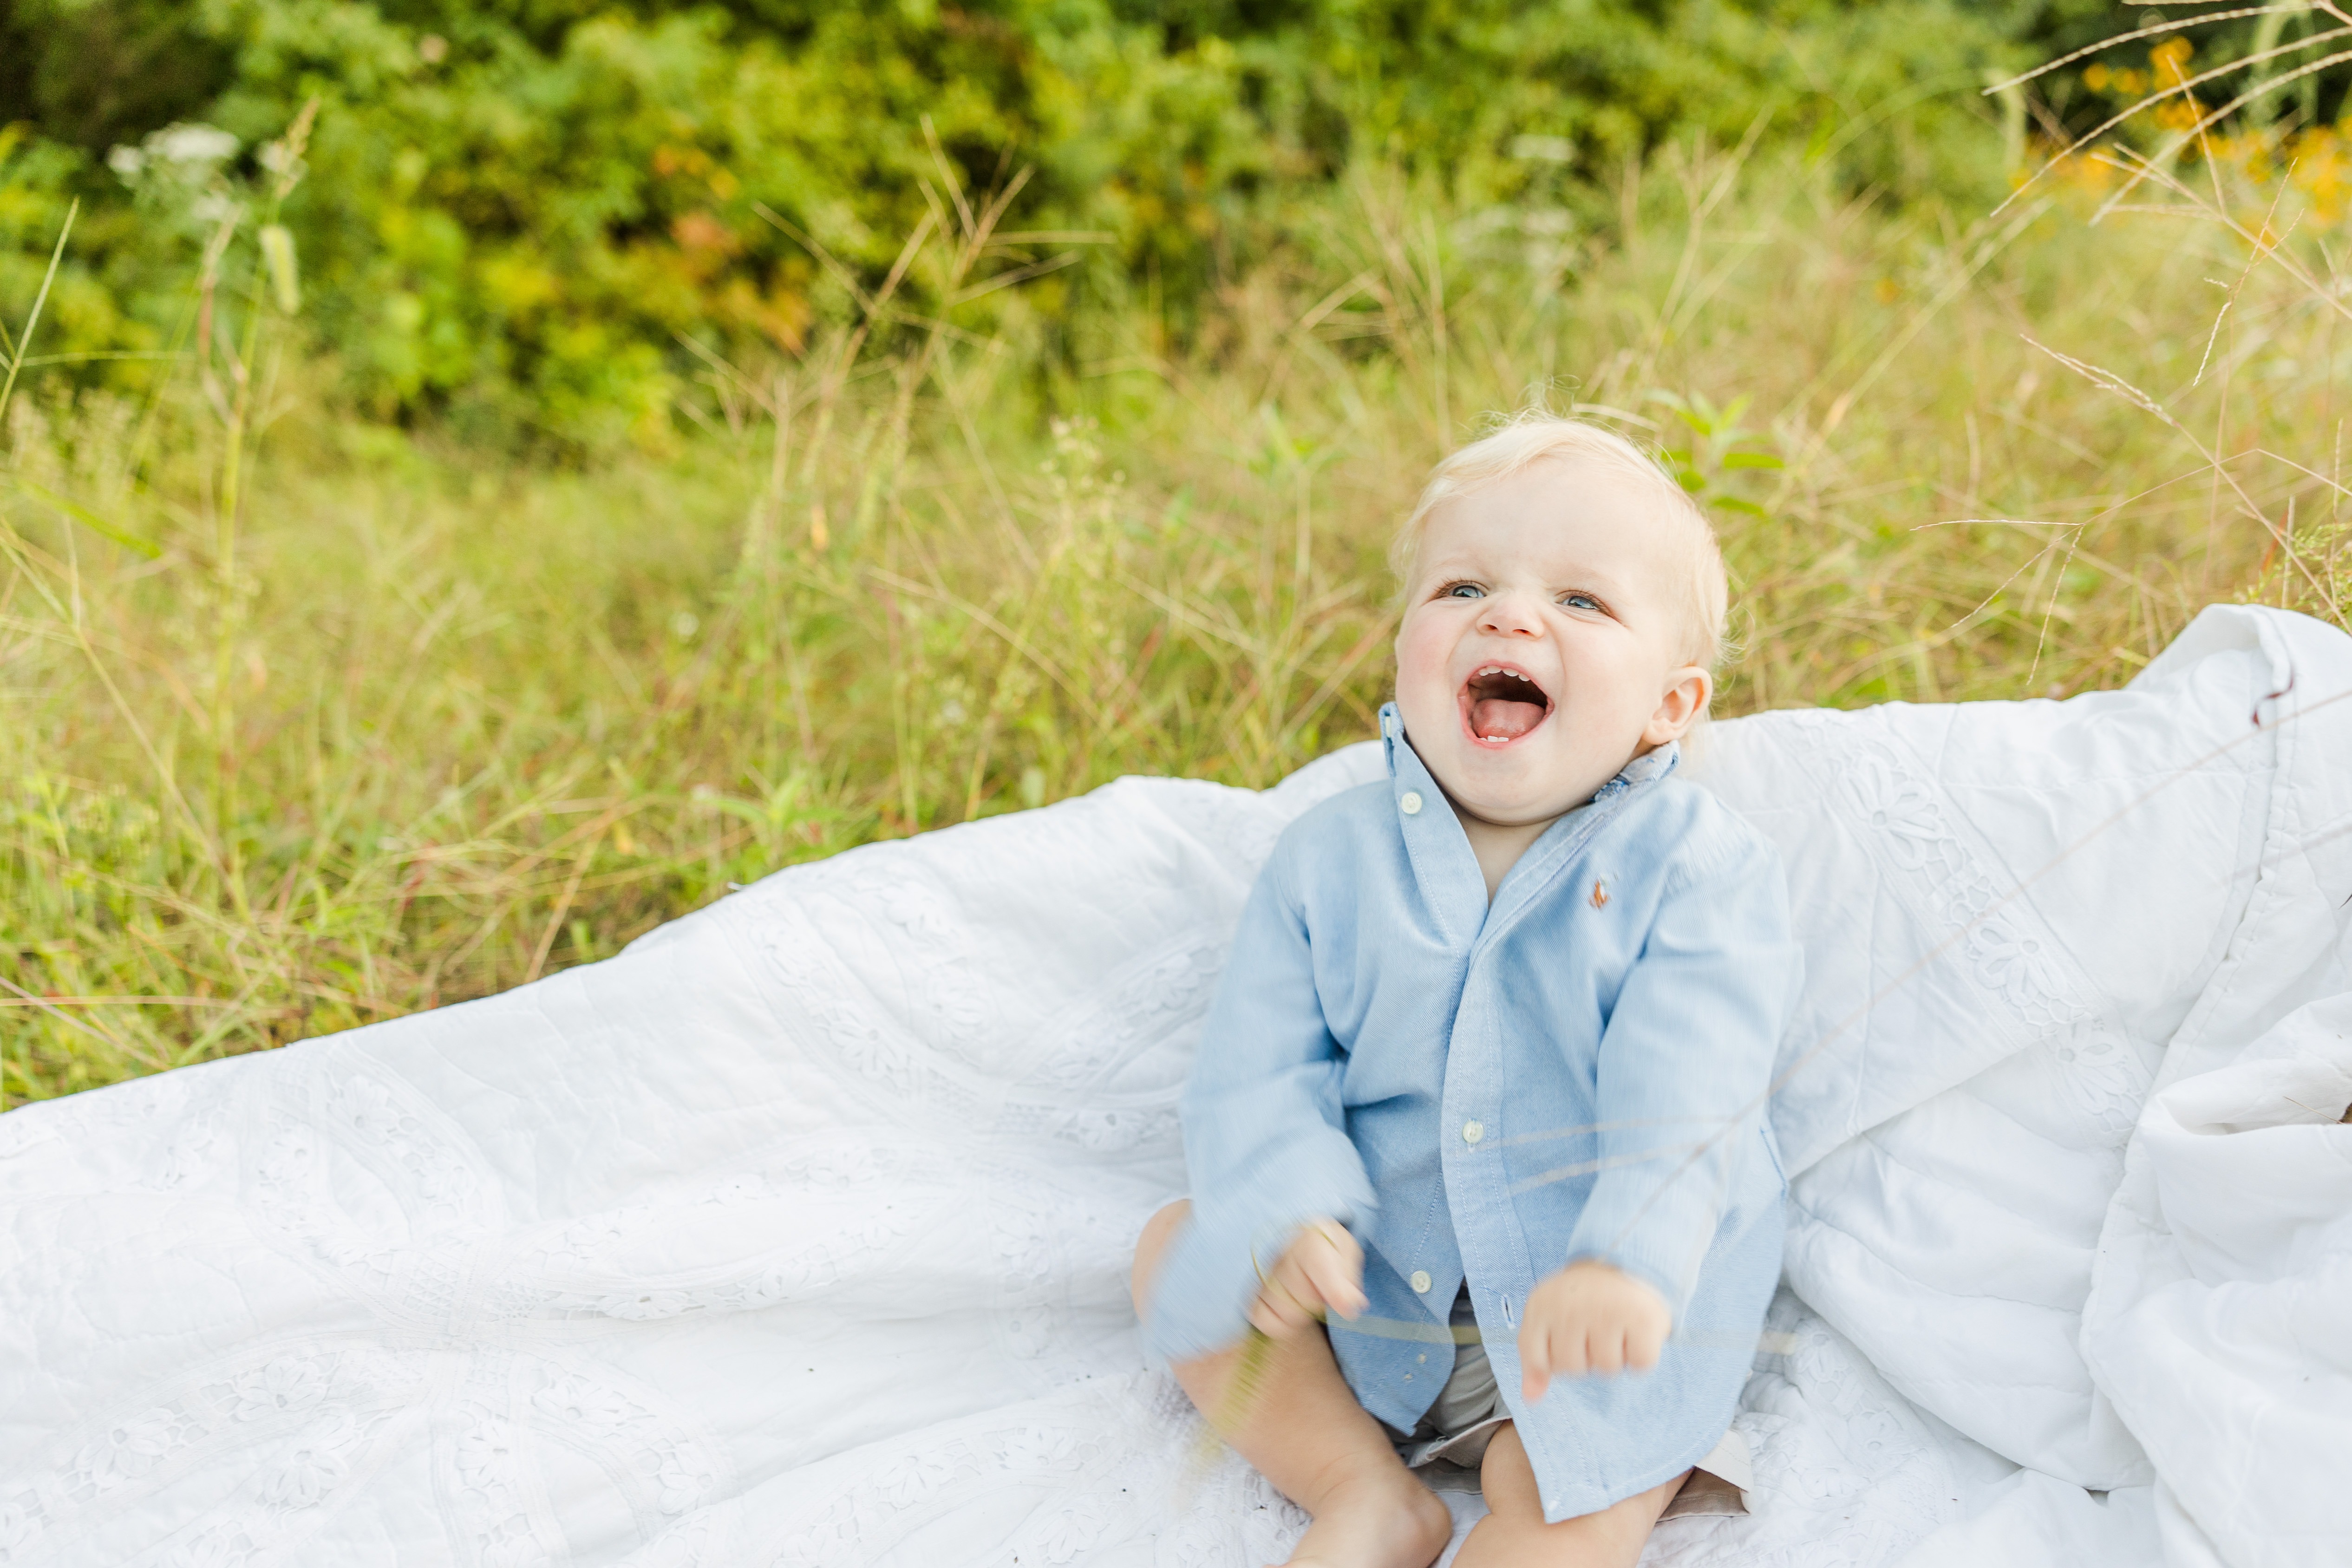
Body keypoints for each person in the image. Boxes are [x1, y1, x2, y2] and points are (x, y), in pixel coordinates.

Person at [1131, 413, 1801, 1568]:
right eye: (1463, 586)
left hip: (1588, 1313)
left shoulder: (1692, 867)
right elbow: (1260, 1070)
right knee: (1176, 1246)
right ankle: (1364, 1490)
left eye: (1584, 602)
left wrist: (1628, 1256)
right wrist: (1285, 1205)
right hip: (1377, 1285)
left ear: (1670, 706)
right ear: (1403, 646)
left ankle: (1551, 1502)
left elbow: (1694, 1085)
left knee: (1567, 1499)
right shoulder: (1326, 863)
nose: (1511, 614)